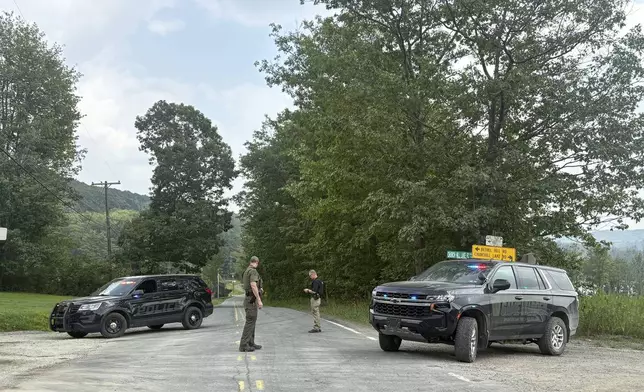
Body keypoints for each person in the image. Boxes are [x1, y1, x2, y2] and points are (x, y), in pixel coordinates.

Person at [239, 256, 263, 352]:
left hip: (249, 299)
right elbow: (253, 285)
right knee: (250, 321)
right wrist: (259, 299)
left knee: (252, 321)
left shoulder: (247, 271)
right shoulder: (252, 271)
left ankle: (250, 342)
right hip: (251, 300)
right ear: (256, 262)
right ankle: (243, 345)